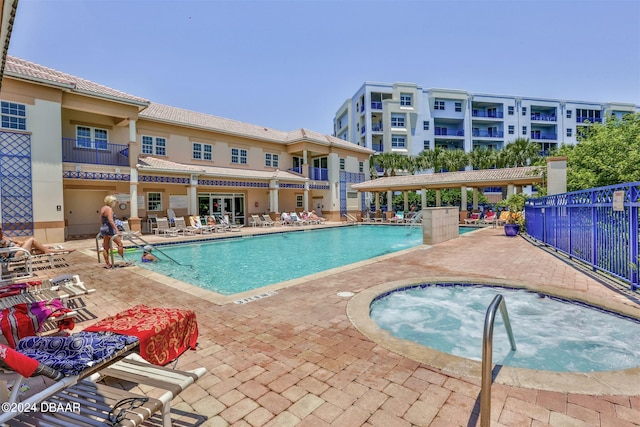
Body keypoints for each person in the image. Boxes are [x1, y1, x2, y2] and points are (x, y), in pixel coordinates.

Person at [0, 226, 75, 256]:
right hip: (15, 254)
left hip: (19, 249)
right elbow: (6, 254)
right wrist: (15, 246)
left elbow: (15, 241)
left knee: (40, 250)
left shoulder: (3, 237)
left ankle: (65, 250)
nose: (2, 232)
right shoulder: (1, 242)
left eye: (1, 230)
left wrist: (17, 243)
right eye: (0, 231)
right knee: (32, 239)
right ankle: (46, 249)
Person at [99, 194, 124, 269]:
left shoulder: (103, 208)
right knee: (120, 244)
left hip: (104, 228)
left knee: (106, 247)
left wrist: (102, 227)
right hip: (110, 229)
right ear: (111, 202)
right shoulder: (109, 209)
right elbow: (111, 220)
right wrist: (117, 230)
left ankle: (107, 264)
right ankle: (123, 259)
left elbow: (100, 219)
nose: (115, 203)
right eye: (114, 202)